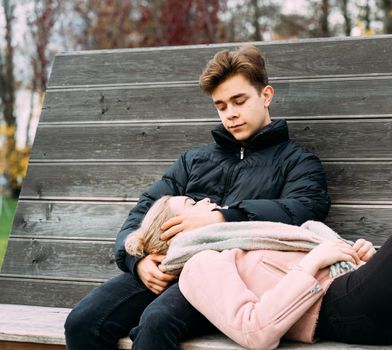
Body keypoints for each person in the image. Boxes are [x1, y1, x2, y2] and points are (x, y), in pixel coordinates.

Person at [64, 45, 331, 349]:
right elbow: (143, 211)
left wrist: (221, 217)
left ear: (266, 95)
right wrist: (136, 262)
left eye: (239, 101)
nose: (230, 114)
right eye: (221, 105)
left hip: (227, 280)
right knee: (83, 322)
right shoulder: (194, 161)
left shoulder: (297, 161)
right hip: (167, 268)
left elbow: (304, 209)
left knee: (155, 323)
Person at [119, 164, 392, 349]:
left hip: (369, 299)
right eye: (190, 201)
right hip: (346, 308)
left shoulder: (238, 240)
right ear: (171, 229)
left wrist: (357, 256)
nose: (206, 199)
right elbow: (254, 331)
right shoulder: (199, 267)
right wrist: (313, 263)